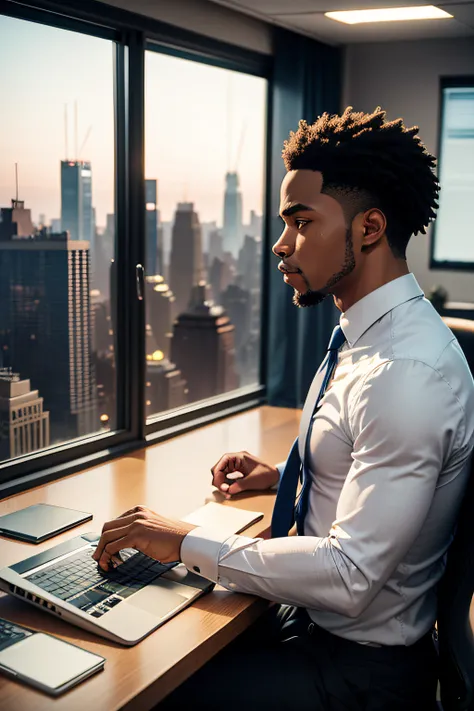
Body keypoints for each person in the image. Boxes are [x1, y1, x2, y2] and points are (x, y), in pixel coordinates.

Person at [93, 106, 474, 710]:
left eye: (301, 222)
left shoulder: (406, 374)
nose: (280, 243)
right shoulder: (367, 334)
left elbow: (350, 575)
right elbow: (366, 447)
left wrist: (183, 539)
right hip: (315, 632)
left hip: (357, 676)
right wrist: (290, 476)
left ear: (369, 228)